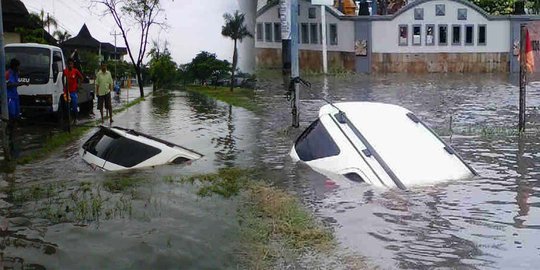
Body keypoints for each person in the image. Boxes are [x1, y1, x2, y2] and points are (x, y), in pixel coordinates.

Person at [63, 58, 83, 125]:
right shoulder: (65, 71)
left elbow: (81, 78)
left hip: (73, 92)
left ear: (73, 64)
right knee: (66, 106)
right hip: (66, 92)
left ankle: (76, 119)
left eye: (71, 64)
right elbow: (62, 79)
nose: (70, 65)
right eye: (69, 64)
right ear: (67, 64)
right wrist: (63, 86)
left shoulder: (75, 71)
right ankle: (68, 120)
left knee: (74, 106)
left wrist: (78, 85)